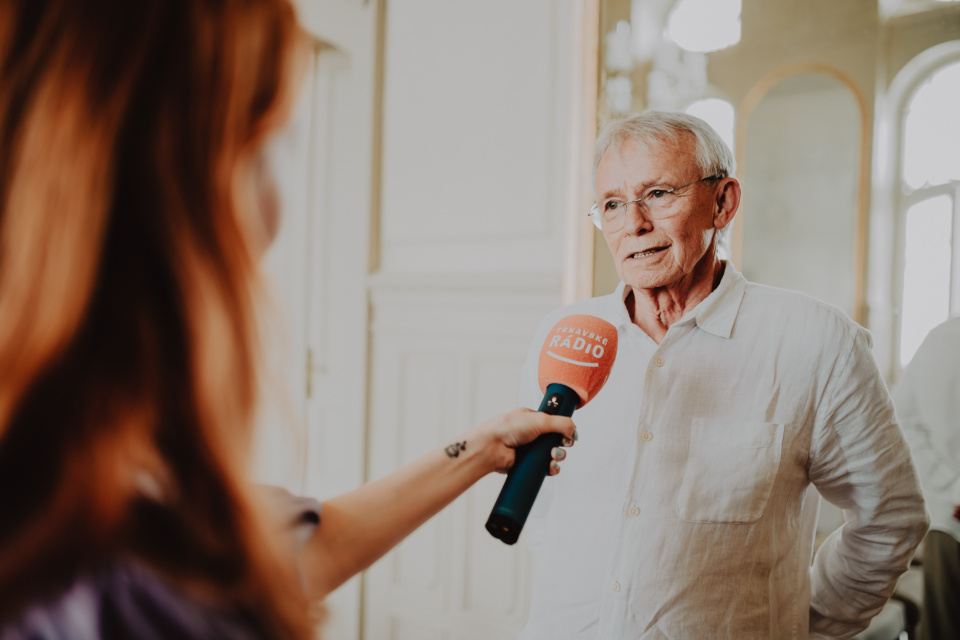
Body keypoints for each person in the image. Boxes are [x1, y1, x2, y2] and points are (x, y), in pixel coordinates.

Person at [0, 1, 576, 638]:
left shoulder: (91, 468)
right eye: (271, 139)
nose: (275, 218)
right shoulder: (117, 580)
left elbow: (299, 550)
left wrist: (480, 448)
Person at [517, 111, 929, 640]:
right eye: (613, 205)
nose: (634, 224)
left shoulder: (817, 340)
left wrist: (805, 628)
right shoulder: (565, 333)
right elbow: (543, 503)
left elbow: (889, 519)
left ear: (723, 202)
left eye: (659, 194)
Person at [892, 316, 960, 640]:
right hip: (950, 521)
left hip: (949, 511)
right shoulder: (942, 339)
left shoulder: (941, 337)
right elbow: (902, 420)